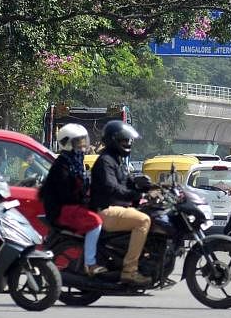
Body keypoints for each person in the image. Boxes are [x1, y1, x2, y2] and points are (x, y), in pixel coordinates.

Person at [90, 120, 153, 286]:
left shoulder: (115, 160)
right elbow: (112, 187)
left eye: (129, 141)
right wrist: (134, 194)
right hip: (106, 211)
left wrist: (151, 187)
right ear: (113, 140)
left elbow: (127, 181)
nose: (128, 144)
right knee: (143, 221)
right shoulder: (105, 161)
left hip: (115, 208)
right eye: (124, 140)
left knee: (150, 213)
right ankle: (130, 271)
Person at [40, 123, 106, 276]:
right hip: (62, 210)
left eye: (84, 142)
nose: (83, 146)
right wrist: (87, 201)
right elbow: (68, 195)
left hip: (70, 207)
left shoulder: (75, 163)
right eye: (79, 142)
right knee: (95, 222)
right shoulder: (62, 166)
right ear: (68, 143)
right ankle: (90, 264)